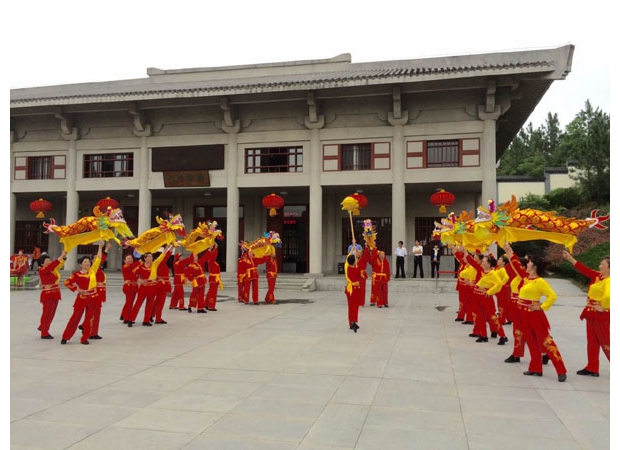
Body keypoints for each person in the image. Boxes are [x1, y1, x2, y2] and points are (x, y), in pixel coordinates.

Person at [516, 254, 567, 382]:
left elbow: (552, 296)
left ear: (534, 266)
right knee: (531, 342)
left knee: (546, 342)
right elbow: (515, 266)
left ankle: (561, 370)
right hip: (523, 314)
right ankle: (535, 368)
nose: (527, 264)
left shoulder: (540, 281)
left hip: (534, 315)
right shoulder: (527, 278)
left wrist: (541, 307)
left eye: (529, 262)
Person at [563, 251, 609, 377]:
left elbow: (609, 296)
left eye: (602, 264)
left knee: (606, 342)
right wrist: (570, 259)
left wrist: (604, 307)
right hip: (591, 313)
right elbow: (585, 270)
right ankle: (592, 367)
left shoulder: (610, 280)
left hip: (601, 315)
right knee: (592, 341)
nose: (600, 266)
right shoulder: (598, 276)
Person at [60, 241, 104, 345]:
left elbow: (98, 258)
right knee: (75, 318)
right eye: (85, 262)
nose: (88, 263)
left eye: (88, 262)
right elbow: (66, 282)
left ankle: (85, 338)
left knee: (89, 319)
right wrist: (77, 289)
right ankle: (66, 336)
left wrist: (100, 247)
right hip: (82, 298)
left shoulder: (92, 271)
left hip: (93, 298)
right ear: (80, 264)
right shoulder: (76, 274)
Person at [466, 253, 508, 344]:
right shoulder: (482, 271)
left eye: (484, 261)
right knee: (480, 317)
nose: (482, 263)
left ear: (489, 264)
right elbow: (473, 263)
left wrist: (490, 292)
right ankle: (483, 335)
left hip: (485, 298)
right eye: (482, 261)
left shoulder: (493, 273)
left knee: (492, 318)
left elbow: (499, 284)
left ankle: (502, 336)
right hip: (477, 296)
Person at [37, 250, 67, 339]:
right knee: (47, 313)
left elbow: (57, 265)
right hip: (48, 294)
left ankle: (43, 326)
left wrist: (64, 257)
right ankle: (44, 332)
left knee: (51, 313)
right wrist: (61, 256)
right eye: (47, 261)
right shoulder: (43, 270)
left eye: (49, 260)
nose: (49, 262)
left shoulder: (51, 270)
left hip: (55, 293)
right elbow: (53, 265)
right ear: (42, 263)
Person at [153, 245, 174, 323]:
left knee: (156, 301)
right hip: (162, 284)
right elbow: (166, 255)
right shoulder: (160, 263)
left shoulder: (155, 263)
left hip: (159, 283)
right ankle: (158, 318)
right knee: (160, 302)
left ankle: (151, 315)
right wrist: (171, 247)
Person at [344, 251, 363, 332]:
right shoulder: (354, 269)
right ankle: (353, 322)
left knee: (352, 307)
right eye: (355, 259)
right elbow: (361, 276)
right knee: (354, 307)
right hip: (353, 290)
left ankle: (352, 322)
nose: (356, 260)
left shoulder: (349, 268)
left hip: (351, 290)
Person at [120, 252, 141, 323]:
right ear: (124, 260)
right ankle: (126, 318)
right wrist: (139, 261)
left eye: (131, 258)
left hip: (134, 286)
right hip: (128, 287)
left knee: (129, 302)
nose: (130, 260)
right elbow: (131, 267)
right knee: (129, 303)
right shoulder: (125, 267)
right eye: (128, 258)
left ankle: (123, 315)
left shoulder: (134, 266)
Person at [205, 244, 223, 310]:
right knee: (213, 292)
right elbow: (214, 254)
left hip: (215, 279)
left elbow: (214, 255)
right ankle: (211, 306)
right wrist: (215, 248)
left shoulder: (213, 262)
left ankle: (206, 303)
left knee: (210, 291)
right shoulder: (211, 261)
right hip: (213, 279)